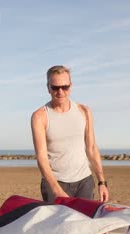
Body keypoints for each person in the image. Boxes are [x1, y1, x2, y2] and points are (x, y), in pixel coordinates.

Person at [31, 65, 109, 203]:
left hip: (84, 181)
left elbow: (91, 148)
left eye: (64, 87)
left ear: (70, 86)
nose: (60, 91)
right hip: (55, 183)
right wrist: (57, 191)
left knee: (84, 224)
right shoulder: (40, 117)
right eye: (55, 87)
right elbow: (42, 158)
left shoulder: (84, 111)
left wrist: (102, 182)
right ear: (48, 88)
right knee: (57, 225)